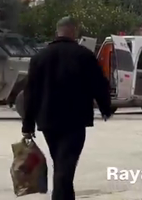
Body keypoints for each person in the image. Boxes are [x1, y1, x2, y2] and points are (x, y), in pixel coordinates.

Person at [21, 16, 112, 200]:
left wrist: (28, 125)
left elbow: (30, 93)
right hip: (75, 120)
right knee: (65, 165)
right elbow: (99, 84)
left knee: (62, 163)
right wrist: (105, 107)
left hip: (48, 121)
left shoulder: (39, 58)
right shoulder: (84, 55)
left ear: (57, 31)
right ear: (74, 31)